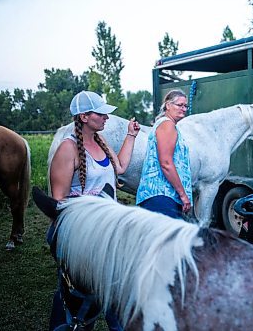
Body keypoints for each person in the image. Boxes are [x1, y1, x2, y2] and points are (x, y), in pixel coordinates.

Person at [48, 90, 140, 331]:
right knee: (79, 294)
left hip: (106, 232)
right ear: (84, 117)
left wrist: (130, 135)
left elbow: (119, 168)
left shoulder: (100, 141)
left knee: (112, 288)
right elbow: (59, 201)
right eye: (101, 114)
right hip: (83, 235)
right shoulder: (68, 149)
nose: (106, 118)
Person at [136, 89, 192, 219]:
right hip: (162, 195)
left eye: (185, 106)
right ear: (168, 105)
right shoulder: (167, 125)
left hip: (165, 196)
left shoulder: (167, 124)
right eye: (179, 105)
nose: (184, 109)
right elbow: (166, 163)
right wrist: (183, 195)